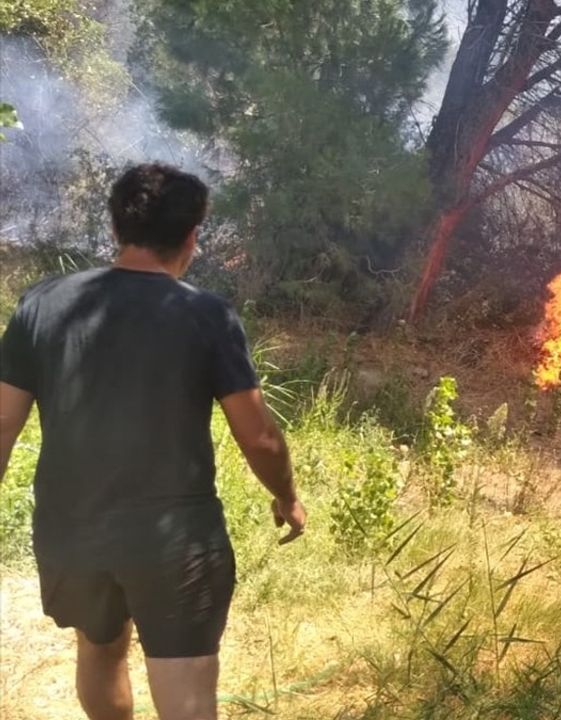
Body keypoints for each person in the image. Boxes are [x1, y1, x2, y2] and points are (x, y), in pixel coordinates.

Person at [0, 163, 306, 720]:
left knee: (99, 650)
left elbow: (2, 423)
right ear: (192, 236)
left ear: (115, 227)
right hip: (175, 540)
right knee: (185, 689)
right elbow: (259, 436)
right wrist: (286, 495)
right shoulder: (205, 315)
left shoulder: (42, 305)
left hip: (72, 530)